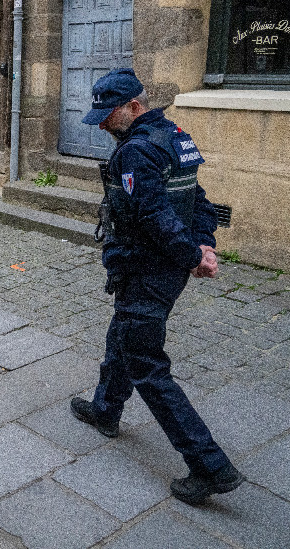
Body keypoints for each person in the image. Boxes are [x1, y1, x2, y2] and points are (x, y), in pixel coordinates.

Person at [71, 68, 243, 505]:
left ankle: (210, 466)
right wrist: (203, 244)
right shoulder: (174, 136)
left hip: (147, 269)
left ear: (134, 106)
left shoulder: (137, 152)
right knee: (124, 333)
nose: (104, 125)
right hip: (161, 271)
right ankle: (106, 410)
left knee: (147, 364)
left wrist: (194, 255)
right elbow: (199, 200)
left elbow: (153, 217)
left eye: (108, 116)